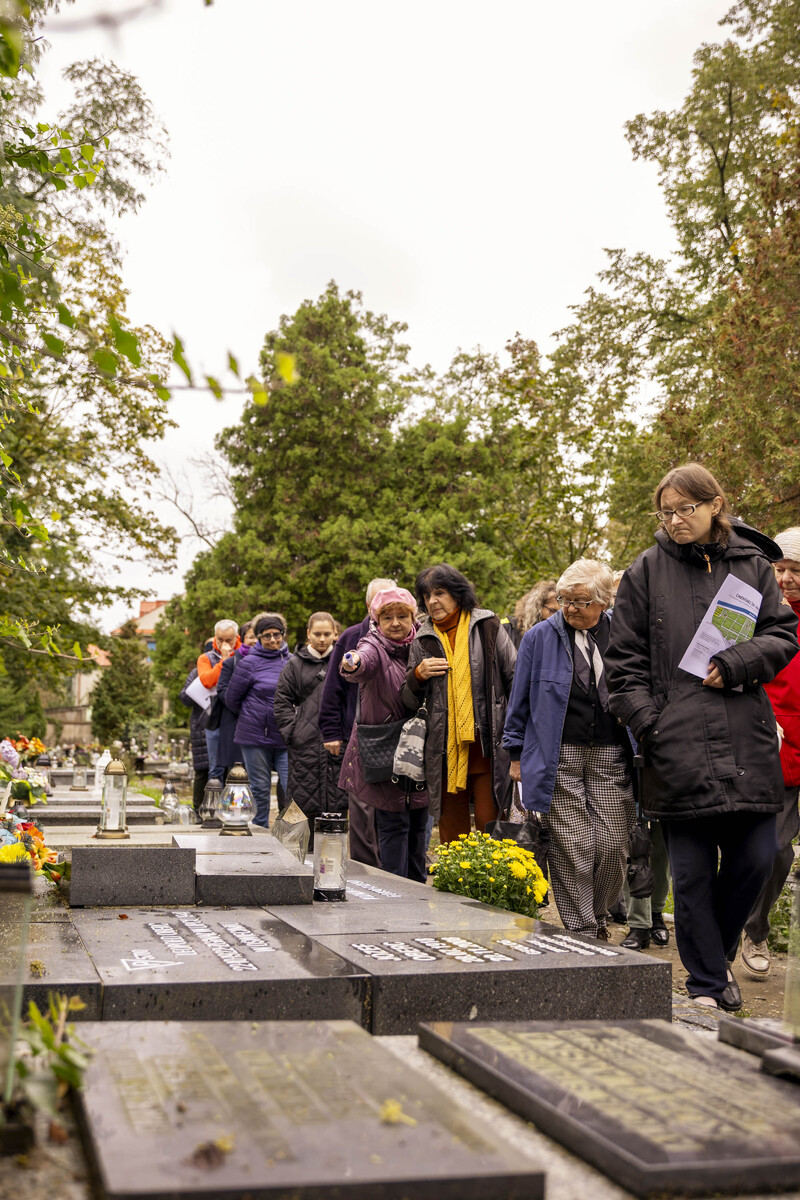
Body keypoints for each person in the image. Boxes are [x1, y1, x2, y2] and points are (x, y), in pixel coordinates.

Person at [605, 463, 798, 1009]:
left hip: (746, 740)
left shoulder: (752, 566)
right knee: (689, 877)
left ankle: (715, 953)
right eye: (665, 512)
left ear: (715, 504)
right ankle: (709, 985)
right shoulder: (645, 571)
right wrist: (653, 724)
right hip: (676, 747)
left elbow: (782, 633)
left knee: (757, 859)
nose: (673, 521)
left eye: (684, 509)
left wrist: (737, 661)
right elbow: (621, 668)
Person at [503, 558, 634, 938]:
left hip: (612, 752)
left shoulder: (624, 633)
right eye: (565, 600)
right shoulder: (538, 638)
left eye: (581, 601)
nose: (571, 608)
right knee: (573, 845)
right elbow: (520, 700)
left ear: (604, 601)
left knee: (612, 844)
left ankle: (597, 913)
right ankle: (582, 929)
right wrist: (515, 756)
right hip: (557, 754)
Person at [403, 563, 516, 845]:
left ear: (457, 594)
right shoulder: (422, 638)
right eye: (427, 596)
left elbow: (515, 680)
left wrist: (517, 742)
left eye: (439, 593)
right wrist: (418, 676)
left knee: (494, 842)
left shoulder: (487, 625)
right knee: (453, 845)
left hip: (488, 752)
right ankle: (457, 892)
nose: (432, 601)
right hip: (444, 756)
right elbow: (407, 699)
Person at [741, 527, 800, 979]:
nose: (785, 579)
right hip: (769, 744)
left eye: (795, 570)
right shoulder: (754, 609)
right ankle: (752, 929)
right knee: (775, 850)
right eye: (779, 569)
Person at [339, 587, 429, 881]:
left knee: (418, 825)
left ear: (412, 617)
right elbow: (361, 662)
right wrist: (352, 661)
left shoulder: (425, 644)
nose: (395, 623)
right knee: (393, 826)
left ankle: (417, 890)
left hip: (421, 748)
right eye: (387, 617)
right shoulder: (373, 644)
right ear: (376, 620)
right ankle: (396, 892)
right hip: (386, 750)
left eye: (402, 616)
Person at [319, 577, 396, 865]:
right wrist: (331, 732)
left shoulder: (408, 635)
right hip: (360, 733)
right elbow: (333, 690)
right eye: (379, 602)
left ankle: (392, 868)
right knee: (362, 807)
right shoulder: (351, 637)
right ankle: (365, 868)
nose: (385, 607)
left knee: (392, 807)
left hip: (397, 733)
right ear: (368, 605)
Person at [274, 612, 347, 840]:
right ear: (308, 634)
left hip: (337, 743)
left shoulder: (344, 662)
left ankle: (333, 860)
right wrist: (292, 733)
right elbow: (282, 701)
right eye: (317, 634)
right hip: (304, 745)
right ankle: (296, 860)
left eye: (327, 634)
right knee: (300, 804)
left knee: (337, 803)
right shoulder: (294, 664)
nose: (322, 639)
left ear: (335, 634)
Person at [223, 613, 290, 828]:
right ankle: (260, 834)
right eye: (267, 635)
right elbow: (232, 699)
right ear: (259, 637)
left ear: (283, 634)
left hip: (286, 735)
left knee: (291, 785)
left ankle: (289, 833)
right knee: (260, 788)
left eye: (276, 635)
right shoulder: (249, 663)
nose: (272, 640)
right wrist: (255, 715)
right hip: (254, 736)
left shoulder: (292, 662)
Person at [214, 619, 258, 784]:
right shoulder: (231, 662)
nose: (254, 641)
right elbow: (222, 691)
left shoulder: (272, 662)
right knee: (235, 775)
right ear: (243, 639)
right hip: (235, 723)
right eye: (251, 637)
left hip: (260, 727)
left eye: (257, 637)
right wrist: (245, 709)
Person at [197, 619, 240, 782]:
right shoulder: (205, 658)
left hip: (236, 714)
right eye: (220, 639)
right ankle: (215, 805)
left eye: (229, 640)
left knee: (237, 766)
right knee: (215, 767)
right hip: (215, 716)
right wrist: (224, 660)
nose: (224, 643)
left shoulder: (244, 654)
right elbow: (207, 680)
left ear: (236, 637)